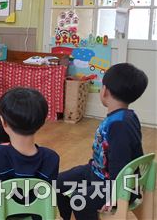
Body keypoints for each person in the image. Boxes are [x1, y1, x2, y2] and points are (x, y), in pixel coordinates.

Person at [57, 63, 147, 220]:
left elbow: (121, 165)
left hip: (118, 187)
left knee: (80, 199)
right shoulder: (125, 117)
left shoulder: (119, 125)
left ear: (105, 91)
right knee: (59, 182)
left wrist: (113, 195)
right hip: (98, 173)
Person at [0, 87, 59, 220]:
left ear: (3, 123)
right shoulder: (51, 158)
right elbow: (47, 197)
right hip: (35, 214)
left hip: (3, 212)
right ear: (42, 123)